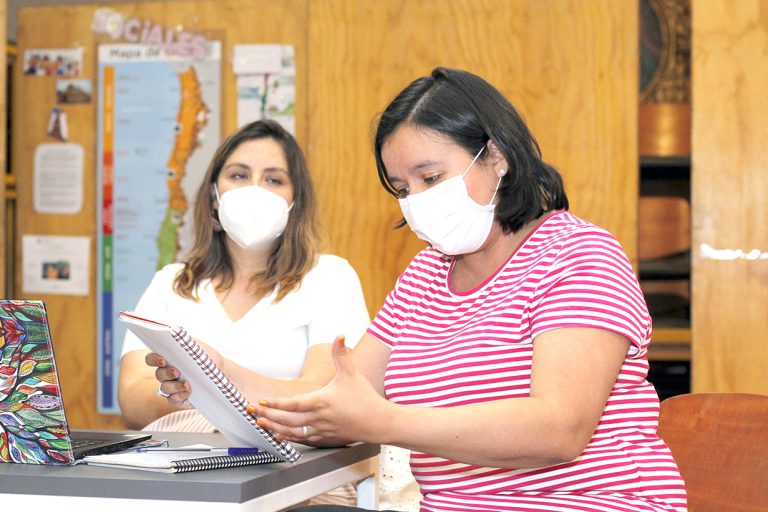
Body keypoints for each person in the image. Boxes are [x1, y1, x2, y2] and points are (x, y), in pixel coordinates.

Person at [153, 68, 687, 511]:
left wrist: (385, 421)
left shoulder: (579, 254)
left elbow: (558, 428)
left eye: (431, 178)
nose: (417, 200)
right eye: (402, 188)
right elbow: (338, 399)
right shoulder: (426, 275)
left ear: (497, 155)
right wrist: (215, 373)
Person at [118, 119, 418, 510]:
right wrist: (187, 393)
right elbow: (132, 400)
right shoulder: (170, 283)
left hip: (295, 476)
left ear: (295, 201)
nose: (254, 189)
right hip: (180, 471)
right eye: (239, 175)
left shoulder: (328, 277)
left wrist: (214, 383)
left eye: (274, 180)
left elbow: (323, 396)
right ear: (213, 196)